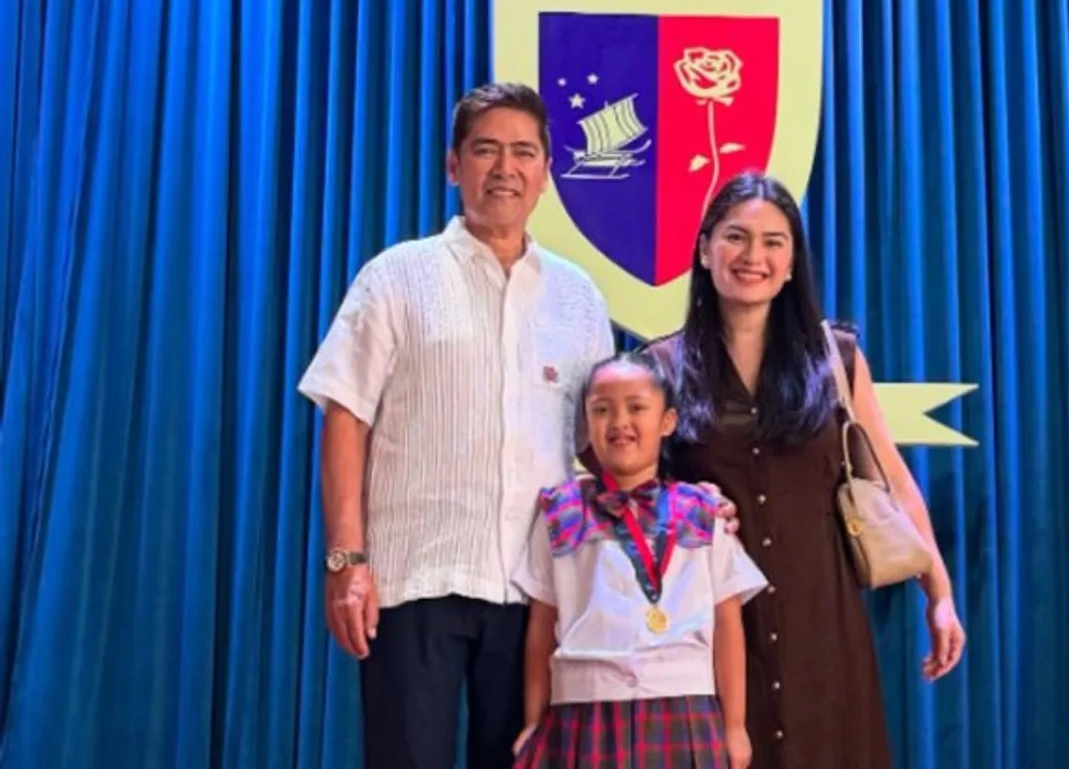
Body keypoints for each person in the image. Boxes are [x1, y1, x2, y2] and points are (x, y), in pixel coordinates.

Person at [296, 82, 618, 768]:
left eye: (524, 152)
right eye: (486, 150)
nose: (505, 168)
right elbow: (345, 413)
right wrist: (346, 561)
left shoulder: (578, 297)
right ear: (453, 165)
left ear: (546, 170)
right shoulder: (397, 277)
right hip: (415, 579)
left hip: (536, 591)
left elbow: (601, 447)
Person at [640, 170, 967, 768]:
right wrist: (682, 505)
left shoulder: (834, 358)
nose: (753, 256)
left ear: (792, 262)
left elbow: (892, 480)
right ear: (705, 248)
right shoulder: (659, 368)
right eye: (736, 237)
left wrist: (939, 595)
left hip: (824, 625)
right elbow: (627, 501)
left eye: (774, 241)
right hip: (711, 639)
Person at [511, 353, 768, 768]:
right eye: (601, 409)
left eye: (636, 407)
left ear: (667, 421)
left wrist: (735, 724)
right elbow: (542, 625)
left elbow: (727, 622)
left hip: (685, 708)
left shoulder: (703, 510)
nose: (619, 423)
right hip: (582, 709)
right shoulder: (560, 511)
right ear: (585, 422)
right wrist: (532, 719)